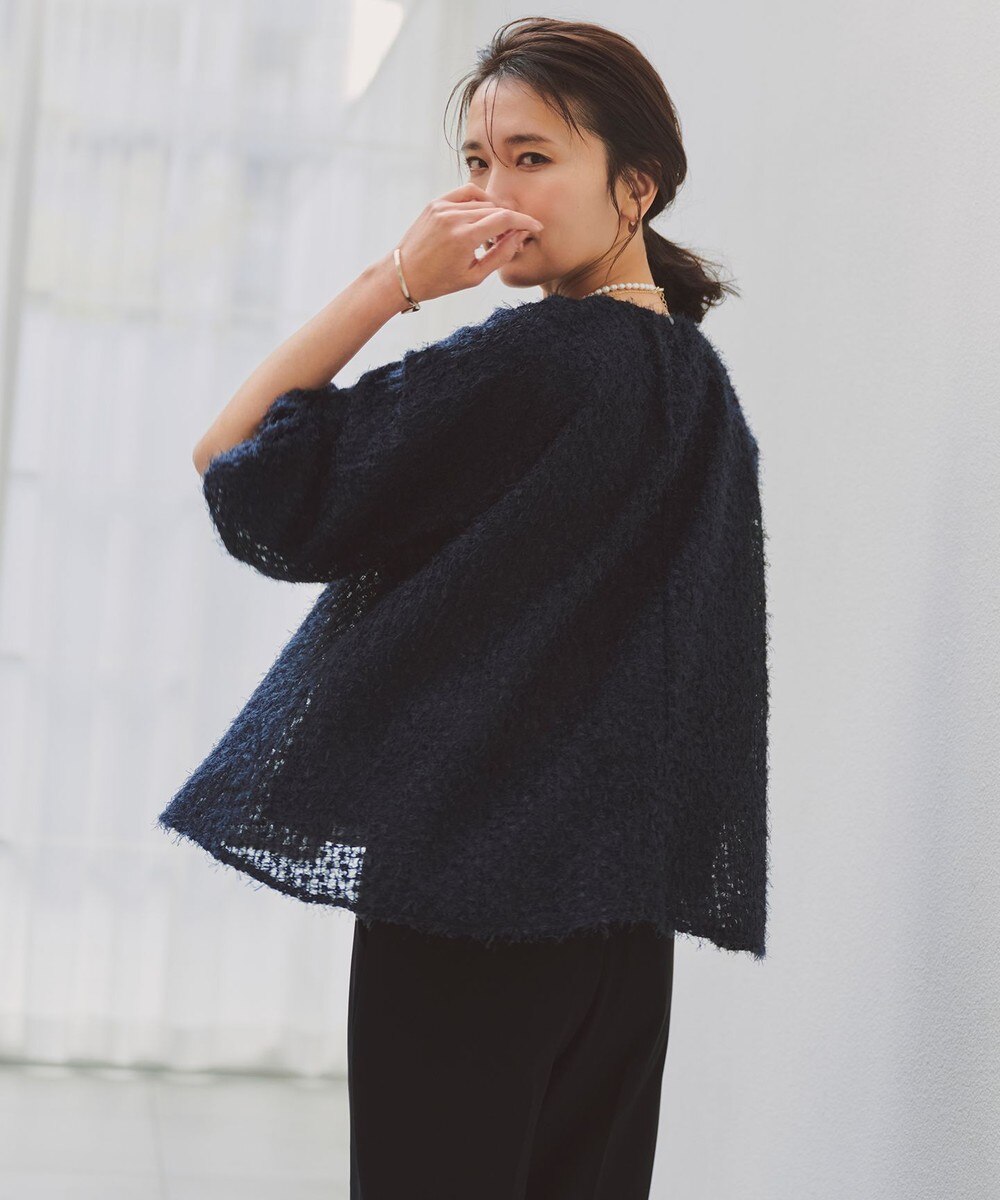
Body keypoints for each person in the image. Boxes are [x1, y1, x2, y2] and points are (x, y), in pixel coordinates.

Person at [159, 17, 768, 1200]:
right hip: (616, 925)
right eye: (478, 161)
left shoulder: (539, 362)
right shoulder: (697, 388)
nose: (493, 192)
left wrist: (393, 282)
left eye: (532, 158)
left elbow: (234, 462)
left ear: (635, 185)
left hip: (472, 904)